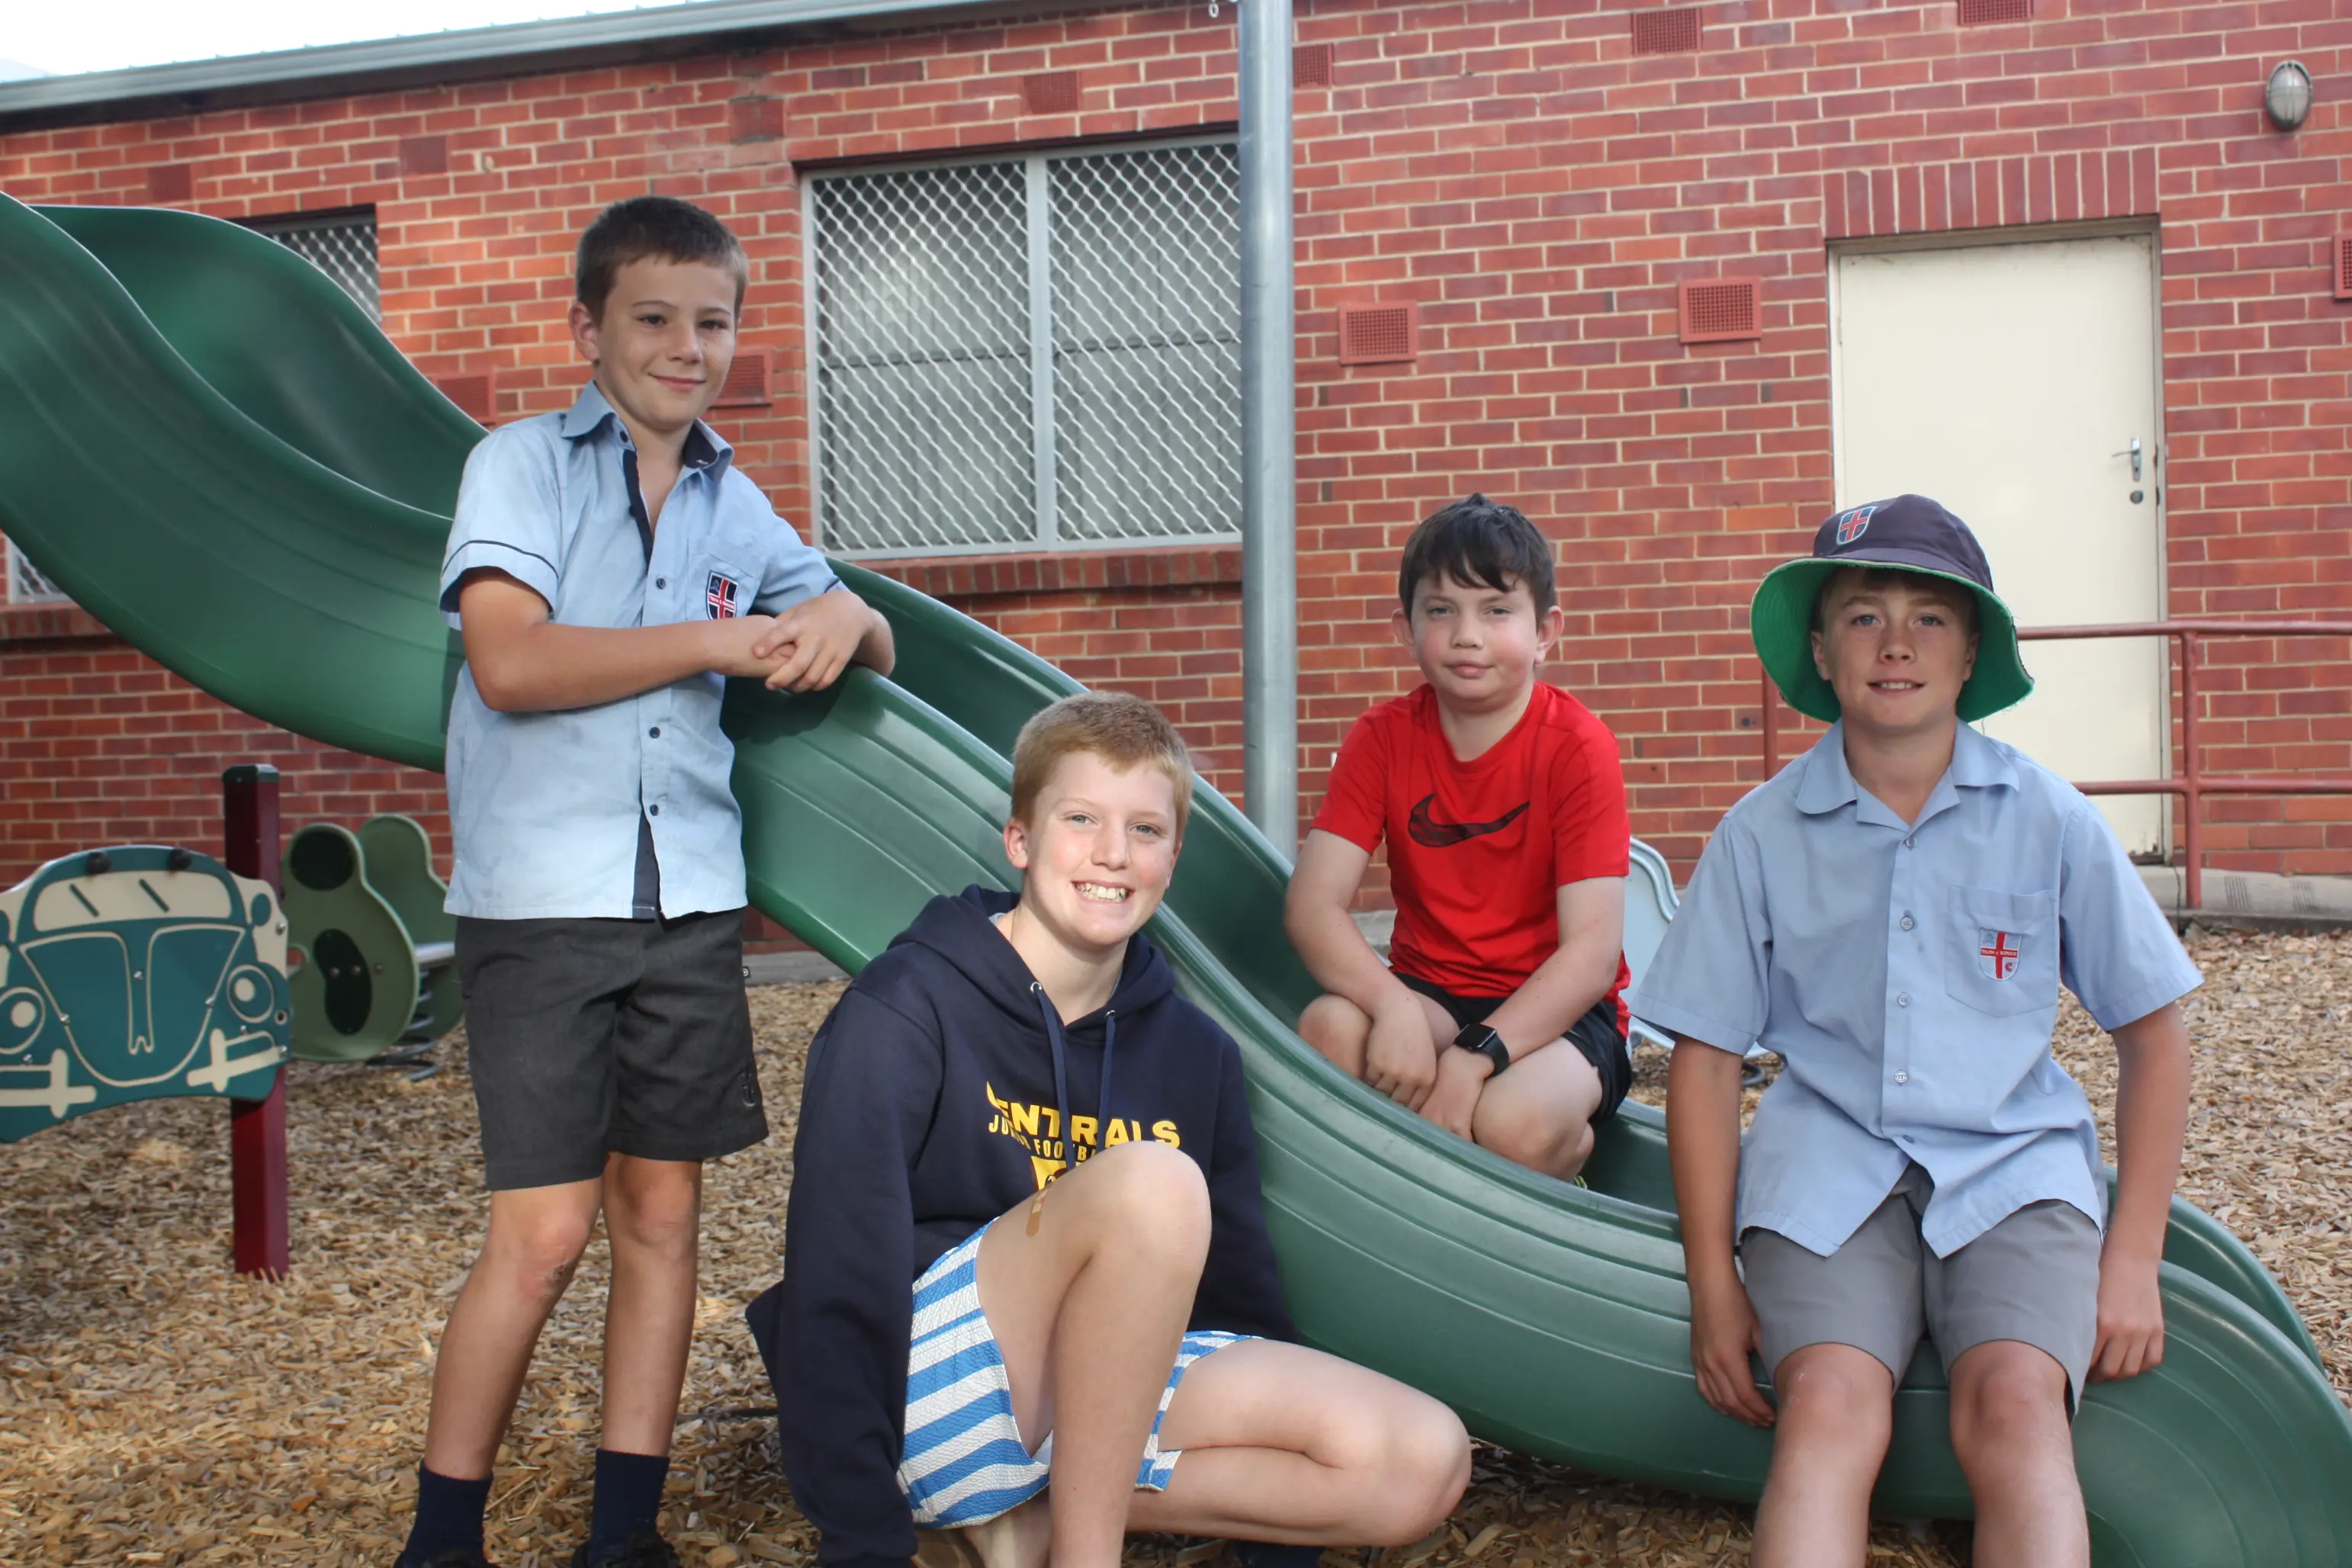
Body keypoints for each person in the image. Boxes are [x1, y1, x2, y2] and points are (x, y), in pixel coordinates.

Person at [397, 196, 895, 1568]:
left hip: (685, 900)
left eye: (713, 320)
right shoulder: (519, 468)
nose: (688, 346)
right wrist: (711, 646)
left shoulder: (738, 501)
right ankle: (443, 1538)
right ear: (589, 330)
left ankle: (625, 1533)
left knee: (663, 1213)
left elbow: (872, 635)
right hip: (542, 902)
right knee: (547, 1232)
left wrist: (844, 611)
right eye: (654, 319)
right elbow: (512, 661)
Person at [748, 691, 1470, 1568]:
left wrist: (1276, 1535)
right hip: (927, 1391)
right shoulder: (907, 1007)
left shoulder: (1195, 1051)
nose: (1112, 855)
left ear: (1174, 857)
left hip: (1091, 1405)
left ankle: (1032, 1529)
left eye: (1146, 830)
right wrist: (863, 1537)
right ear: (1020, 838)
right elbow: (839, 1274)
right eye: (1080, 818)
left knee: (1419, 1458)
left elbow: (1235, 1302)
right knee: (1154, 1183)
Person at [1633, 495, 2199, 1568]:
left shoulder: (2049, 818)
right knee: (1830, 1405)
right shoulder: (1760, 836)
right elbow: (1705, 1064)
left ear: (1972, 646)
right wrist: (1714, 1287)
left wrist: (2134, 1259)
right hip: (1828, 1173)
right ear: (1819, 649)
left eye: (1929, 618)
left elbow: (2156, 1030)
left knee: (2020, 1404)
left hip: (2011, 1169)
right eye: (1862, 615)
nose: (1895, 643)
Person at [1284, 494, 1633, 1179]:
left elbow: (1591, 954)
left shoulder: (1578, 748)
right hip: (1431, 990)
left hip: (1559, 1012)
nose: (1466, 634)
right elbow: (1311, 906)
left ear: (1545, 631)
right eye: (1441, 610)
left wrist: (1475, 1059)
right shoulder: (1381, 738)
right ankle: (1384, 1219)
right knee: (1330, 1028)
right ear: (1405, 628)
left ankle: (1570, 1162)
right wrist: (1393, 1008)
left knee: (1514, 1123)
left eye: (1496, 610)